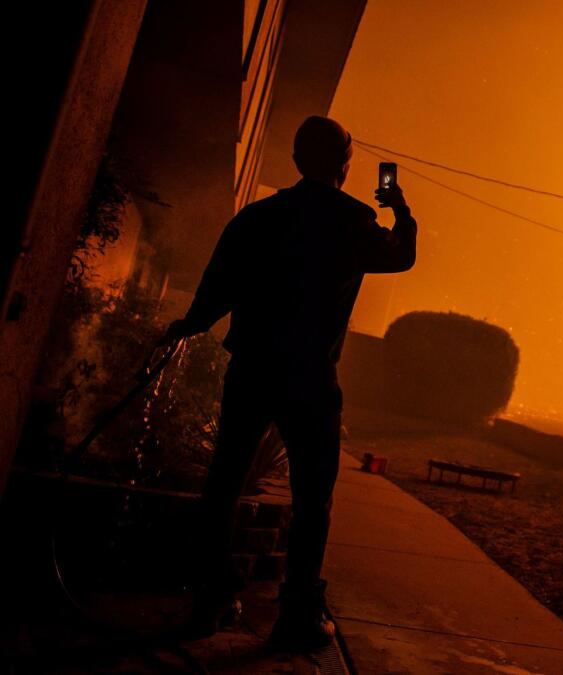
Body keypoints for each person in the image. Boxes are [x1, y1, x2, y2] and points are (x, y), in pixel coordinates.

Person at [166, 115, 417, 651]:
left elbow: (218, 283)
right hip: (309, 377)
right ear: (345, 166)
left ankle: (210, 600)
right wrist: (399, 208)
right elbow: (402, 257)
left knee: (224, 483)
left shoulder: (260, 217)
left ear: (298, 161)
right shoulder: (353, 223)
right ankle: (296, 615)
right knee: (312, 498)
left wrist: (190, 323)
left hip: (253, 367)